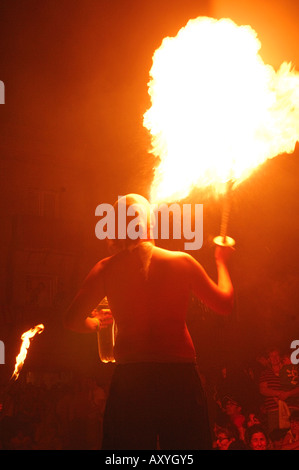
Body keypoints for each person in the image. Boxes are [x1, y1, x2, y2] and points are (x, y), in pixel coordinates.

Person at [64, 194, 234, 450]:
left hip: (131, 379)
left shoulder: (106, 268)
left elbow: (72, 321)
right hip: (178, 378)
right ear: (148, 225)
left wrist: (95, 324)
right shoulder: (181, 261)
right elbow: (224, 304)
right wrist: (222, 262)